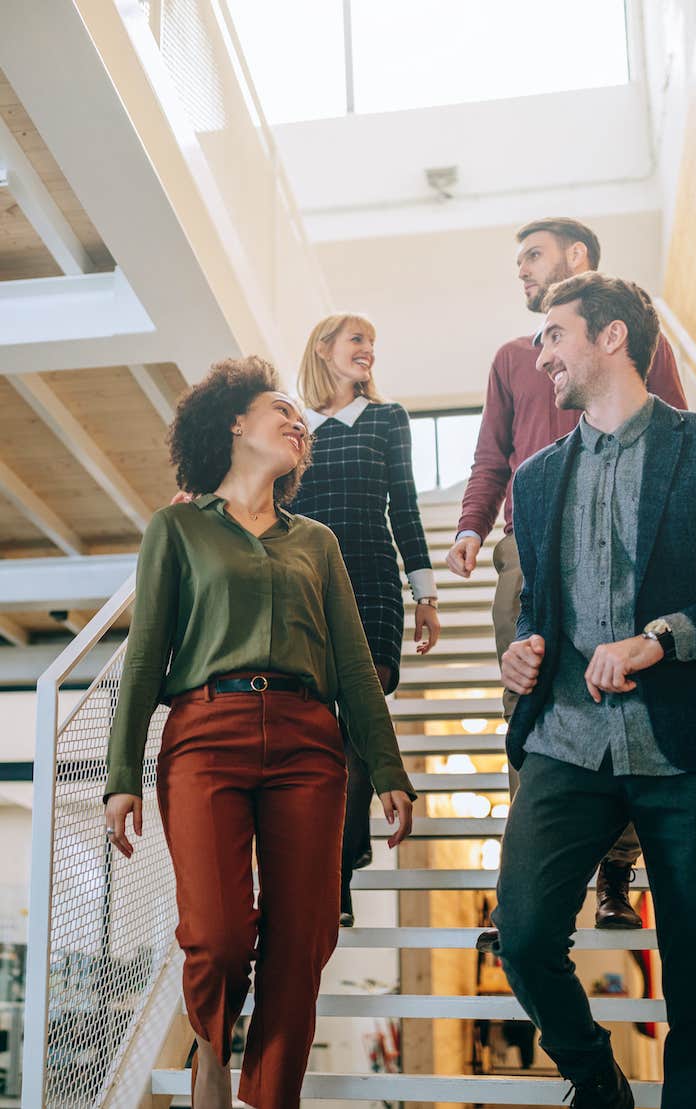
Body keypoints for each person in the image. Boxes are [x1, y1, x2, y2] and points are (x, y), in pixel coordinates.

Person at [492, 273, 696, 1108]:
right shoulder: (532, 481)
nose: (541, 356)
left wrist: (663, 638)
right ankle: (600, 1085)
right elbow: (541, 609)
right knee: (526, 936)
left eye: (554, 336)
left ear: (611, 339)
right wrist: (523, 653)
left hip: (694, 742)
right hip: (567, 739)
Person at [104, 356, 415, 1109]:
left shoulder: (317, 542)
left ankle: (269, 1097)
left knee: (302, 941)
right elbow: (145, 658)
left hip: (311, 744)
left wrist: (390, 766)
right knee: (217, 936)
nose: (297, 422)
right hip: (206, 736)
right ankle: (212, 1049)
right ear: (235, 422)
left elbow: (353, 663)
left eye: (300, 419)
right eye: (282, 409)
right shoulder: (177, 527)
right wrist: (120, 776)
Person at [449, 218, 687, 935]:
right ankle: (520, 886)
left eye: (533, 256)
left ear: (576, 257)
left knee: (626, 700)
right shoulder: (512, 359)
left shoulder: (641, 343)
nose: (521, 270)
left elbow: (675, 428)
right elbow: (492, 453)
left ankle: (616, 874)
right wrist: (471, 523)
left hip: (629, 545)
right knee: (529, 708)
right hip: (530, 552)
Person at [291, 314, 440, 927]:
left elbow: (403, 506)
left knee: (353, 732)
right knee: (319, 737)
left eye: (373, 343)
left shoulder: (387, 419)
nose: (368, 351)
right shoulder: (293, 428)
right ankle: (330, 863)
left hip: (374, 584)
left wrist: (425, 593)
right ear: (323, 348)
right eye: (357, 340)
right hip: (305, 587)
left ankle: (338, 876)